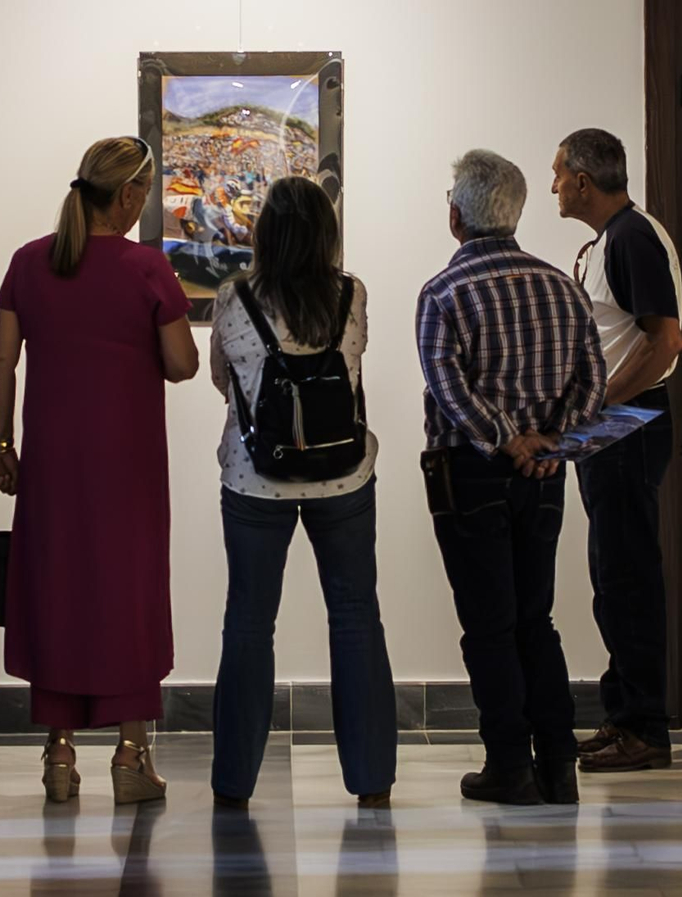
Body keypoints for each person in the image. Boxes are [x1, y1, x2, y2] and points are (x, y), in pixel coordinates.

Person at [0, 136, 201, 805]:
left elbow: (1, 359)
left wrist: (1, 444)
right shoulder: (148, 269)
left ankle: (57, 755)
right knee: (126, 596)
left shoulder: (29, 261)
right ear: (130, 196)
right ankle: (131, 755)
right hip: (128, 469)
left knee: (55, 592)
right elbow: (182, 364)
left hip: (51, 463)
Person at [418, 150, 606, 805]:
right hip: (545, 474)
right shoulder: (562, 285)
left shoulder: (444, 292)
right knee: (536, 620)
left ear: (455, 215)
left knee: (490, 626)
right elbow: (593, 378)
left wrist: (507, 438)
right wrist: (555, 442)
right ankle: (558, 763)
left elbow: (449, 387)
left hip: (470, 473)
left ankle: (509, 765)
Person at [208, 176, 397, 810]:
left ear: (264, 233)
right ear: (326, 234)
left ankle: (234, 782)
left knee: (249, 623)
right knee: (355, 619)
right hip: (343, 474)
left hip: (254, 475)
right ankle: (371, 779)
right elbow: (352, 365)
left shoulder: (234, 298)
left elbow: (223, 380)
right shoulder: (351, 294)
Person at [550, 128, 682, 773]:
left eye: (557, 175)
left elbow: (666, 344)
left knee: (627, 574)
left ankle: (646, 728)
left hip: (628, 424)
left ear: (582, 180)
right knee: (609, 572)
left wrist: (600, 404)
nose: (552, 187)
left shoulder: (632, 237)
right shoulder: (610, 241)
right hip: (611, 424)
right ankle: (624, 713)